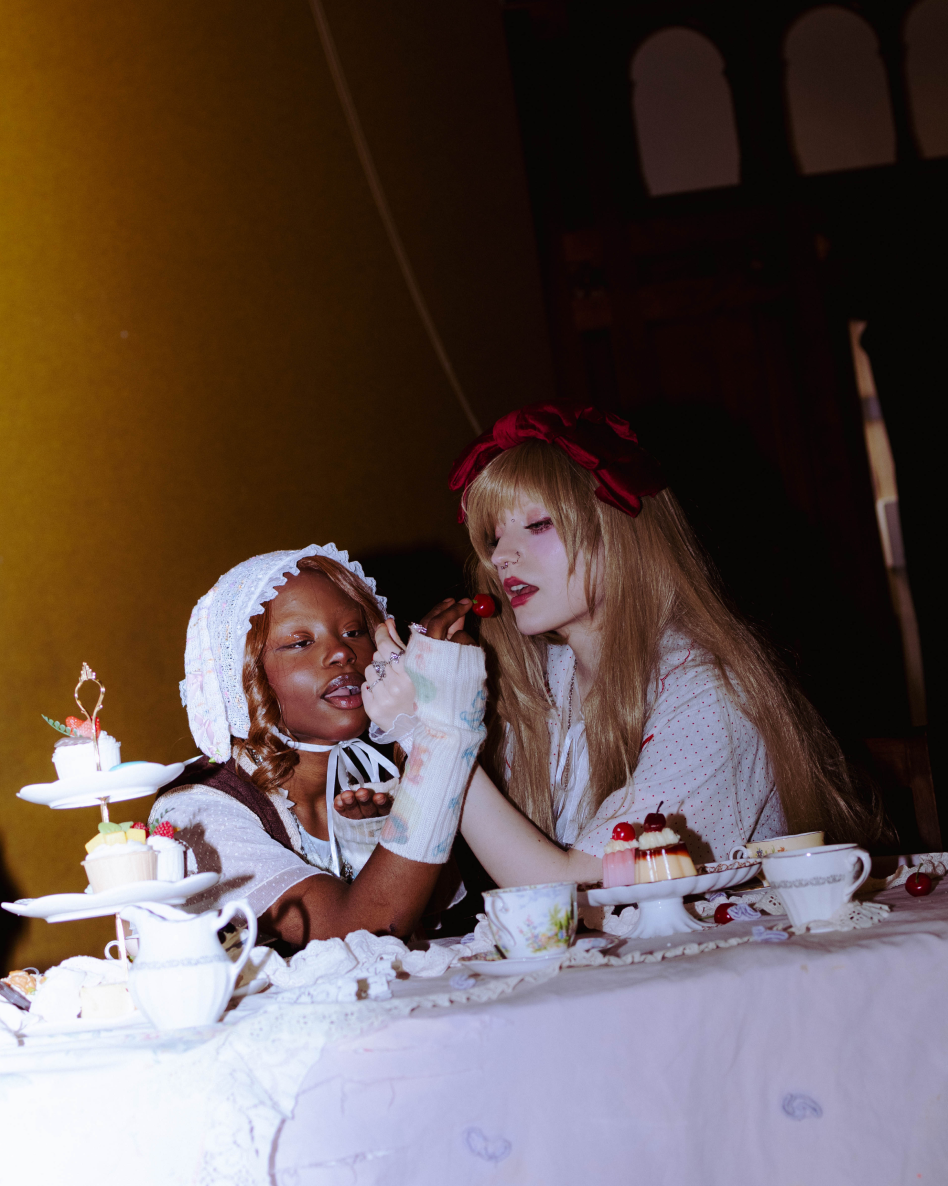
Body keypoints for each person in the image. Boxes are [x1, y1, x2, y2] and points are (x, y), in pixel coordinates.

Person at [365, 403, 876, 890]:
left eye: (538, 525)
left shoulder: (713, 693)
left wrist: (434, 734)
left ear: (618, 532)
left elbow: (581, 891)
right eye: (494, 538)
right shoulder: (540, 684)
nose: (501, 557)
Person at [152, 544, 485, 946]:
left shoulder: (376, 775)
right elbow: (360, 931)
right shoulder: (195, 810)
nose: (342, 652)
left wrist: (374, 841)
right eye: (299, 642)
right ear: (240, 675)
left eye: (354, 632)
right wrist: (442, 729)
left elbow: (432, 918)